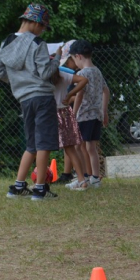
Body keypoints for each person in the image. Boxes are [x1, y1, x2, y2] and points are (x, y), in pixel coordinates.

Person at [0, 3, 60, 201]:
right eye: (44, 27)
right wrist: (57, 59)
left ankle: (18, 186)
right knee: (43, 143)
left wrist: (16, 80)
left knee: (31, 143)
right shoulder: (38, 44)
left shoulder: (6, 43)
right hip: (42, 97)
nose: (43, 31)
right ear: (36, 23)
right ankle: (40, 189)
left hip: (24, 99)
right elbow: (46, 73)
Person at [68, 40, 109, 188]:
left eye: (73, 59)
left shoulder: (82, 73)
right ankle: (95, 179)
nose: (74, 63)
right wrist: (104, 111)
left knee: (78, 147)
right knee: (91, 148)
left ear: (78, 56)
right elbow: (106, 91)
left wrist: (73, 113)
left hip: (84, 116)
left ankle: (83, 177)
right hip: (96, 116)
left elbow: (79, 95)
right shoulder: (97, 71)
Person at [53, 51, 88, 188]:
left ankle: (40, 183)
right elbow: (83, 80)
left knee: (42, 148)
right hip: (65, 112)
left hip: (50, 114)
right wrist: (69, 95)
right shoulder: (62, 74)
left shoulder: (42, 77)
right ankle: (81, 180)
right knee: (70, 148)